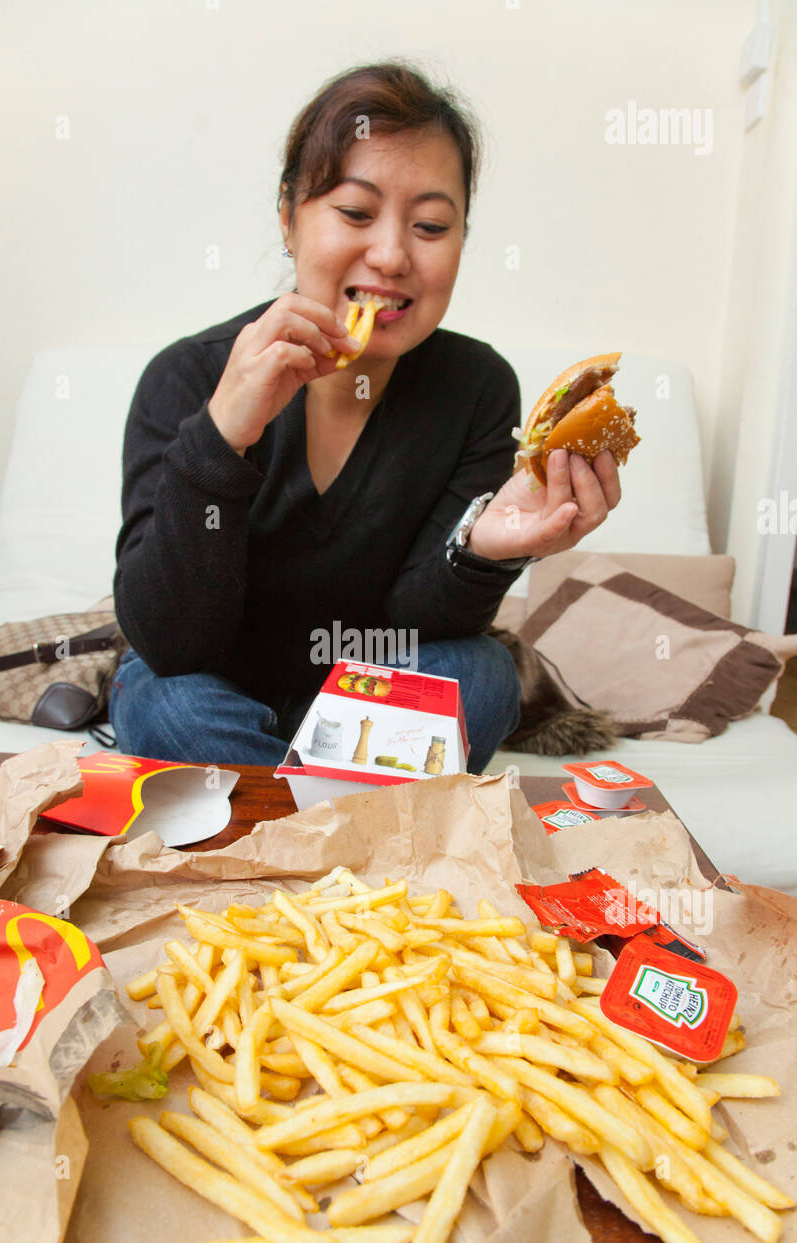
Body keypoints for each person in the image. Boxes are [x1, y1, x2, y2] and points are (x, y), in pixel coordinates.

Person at [110, 62, 621, 774]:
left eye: (431, 225)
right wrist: (223, 437)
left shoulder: (476, 387)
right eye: (354, 213)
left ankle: (270, 818)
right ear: (288, 216)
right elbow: (171, 643)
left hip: (366, 694)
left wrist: (483, 551)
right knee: (164, 701)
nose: (391, 255)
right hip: (217, 686)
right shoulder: (190, 376)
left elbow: (420, 625)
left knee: (480, 673)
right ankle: (341, 817)